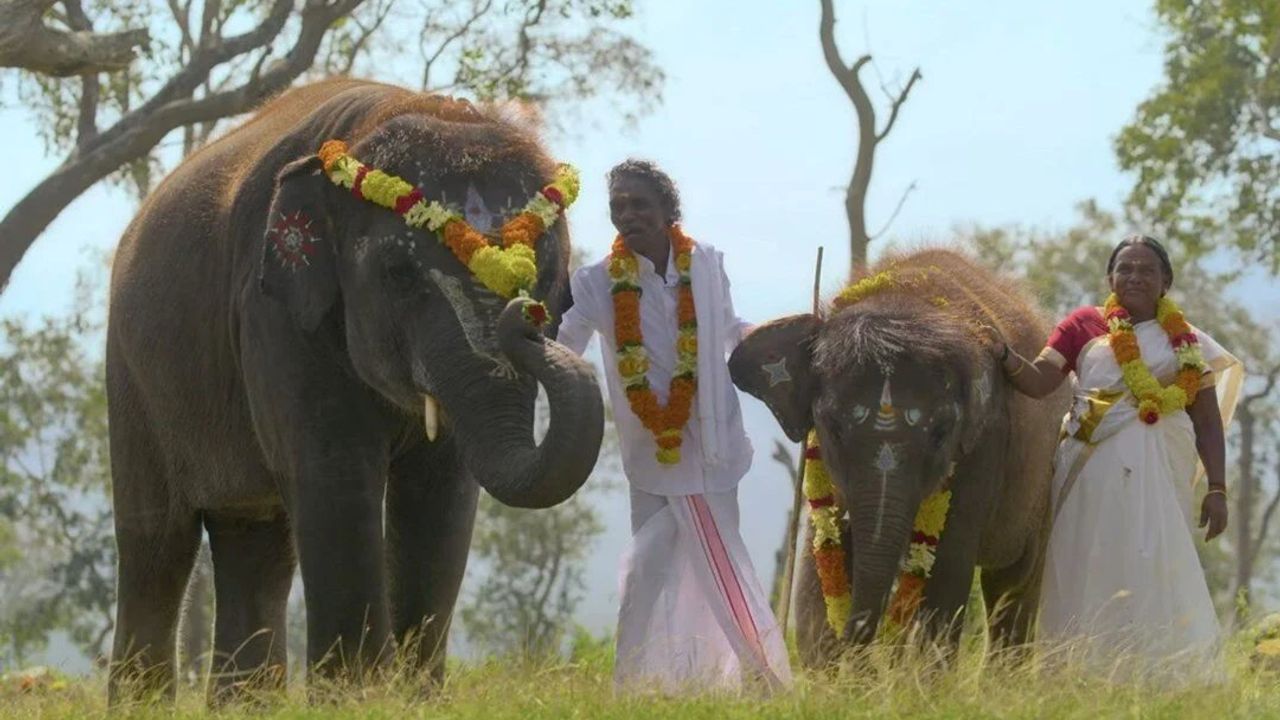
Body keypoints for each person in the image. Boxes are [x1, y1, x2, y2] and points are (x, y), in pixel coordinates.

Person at [556, 159, 792, 694]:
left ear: (668, 211)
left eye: (639, 204)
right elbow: (567, 343)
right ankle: (643, 684)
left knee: (715, 561)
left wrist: (779, 339)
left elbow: (731, 328)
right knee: (650, 569)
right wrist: (521, 349)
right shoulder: (596, 283)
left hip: (712, 445)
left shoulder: (705, 264)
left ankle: (759, 677)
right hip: (651, 454)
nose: (627, 214)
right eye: (618, 206)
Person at [996, 234, 1244, 684]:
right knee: (1083, 558)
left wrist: (1218, 490)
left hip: (1161, 475)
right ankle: (1075, 672)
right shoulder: (1082, 326)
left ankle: (1162, 673)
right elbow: (1037, 382)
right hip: (1088, 471)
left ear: (1165, 281)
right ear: (1109, 277)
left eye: (1146, 269)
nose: (1134, 276)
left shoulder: (1188, 343)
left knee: (1154, 557)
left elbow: (1207, 422)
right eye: (1125, 268)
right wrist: (1002, 355)